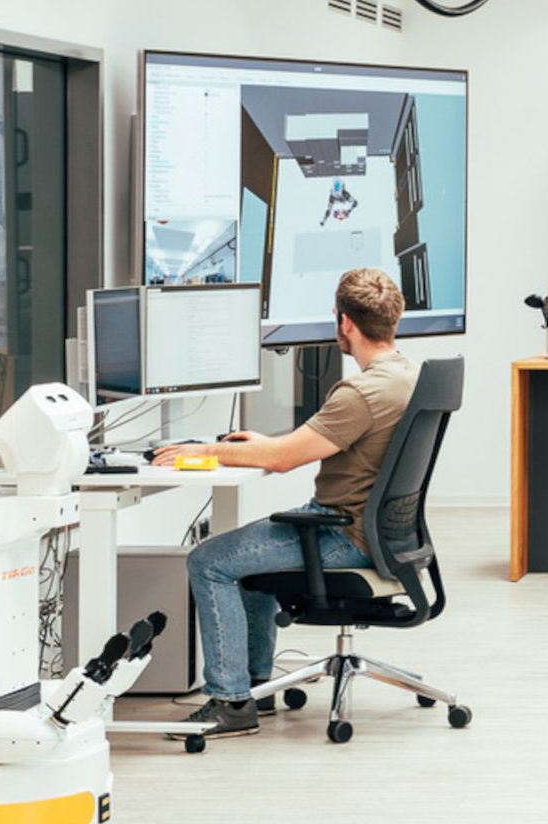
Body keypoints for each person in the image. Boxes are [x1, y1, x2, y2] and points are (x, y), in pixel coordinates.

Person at [155, 268, 421, 739]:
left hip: (341, 536)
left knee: (210, 560)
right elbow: (305, 443)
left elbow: (282, 461)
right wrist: (265, 443)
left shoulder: (360, 392)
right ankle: (257, 684)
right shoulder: (408, 375)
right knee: (246, 553)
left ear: (344, 324)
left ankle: (230, 702)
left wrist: (206, 451)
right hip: (384, 533)